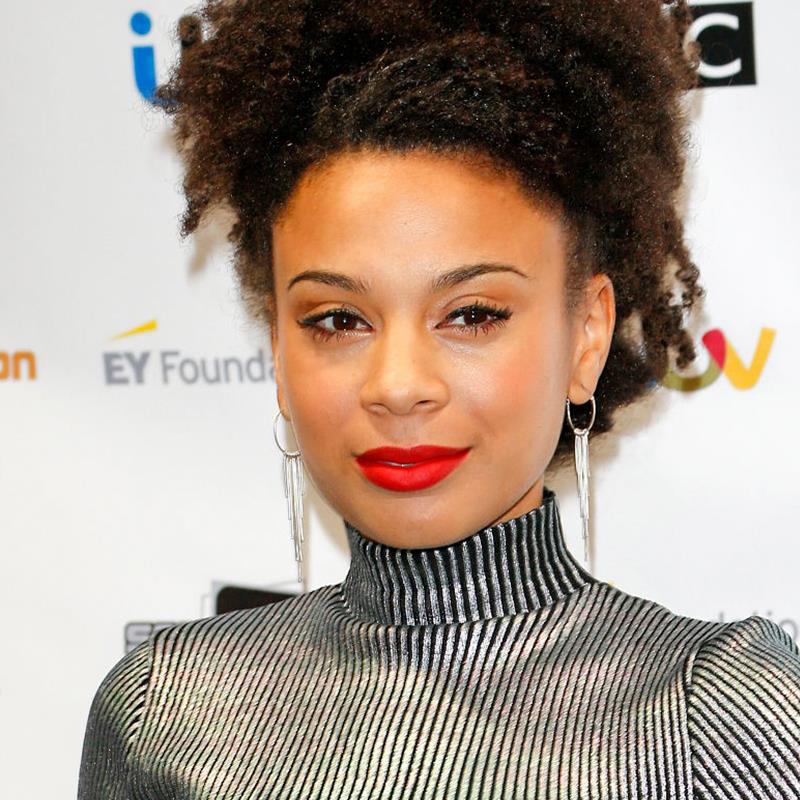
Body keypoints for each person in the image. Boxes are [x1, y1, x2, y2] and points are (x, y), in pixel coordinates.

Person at [78, 1, 800, 798]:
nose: (398, 386)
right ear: (280, 350)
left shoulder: (721, 717)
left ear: (586, 337)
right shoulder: (163, 710)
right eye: (338, 320)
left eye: (472, 315)